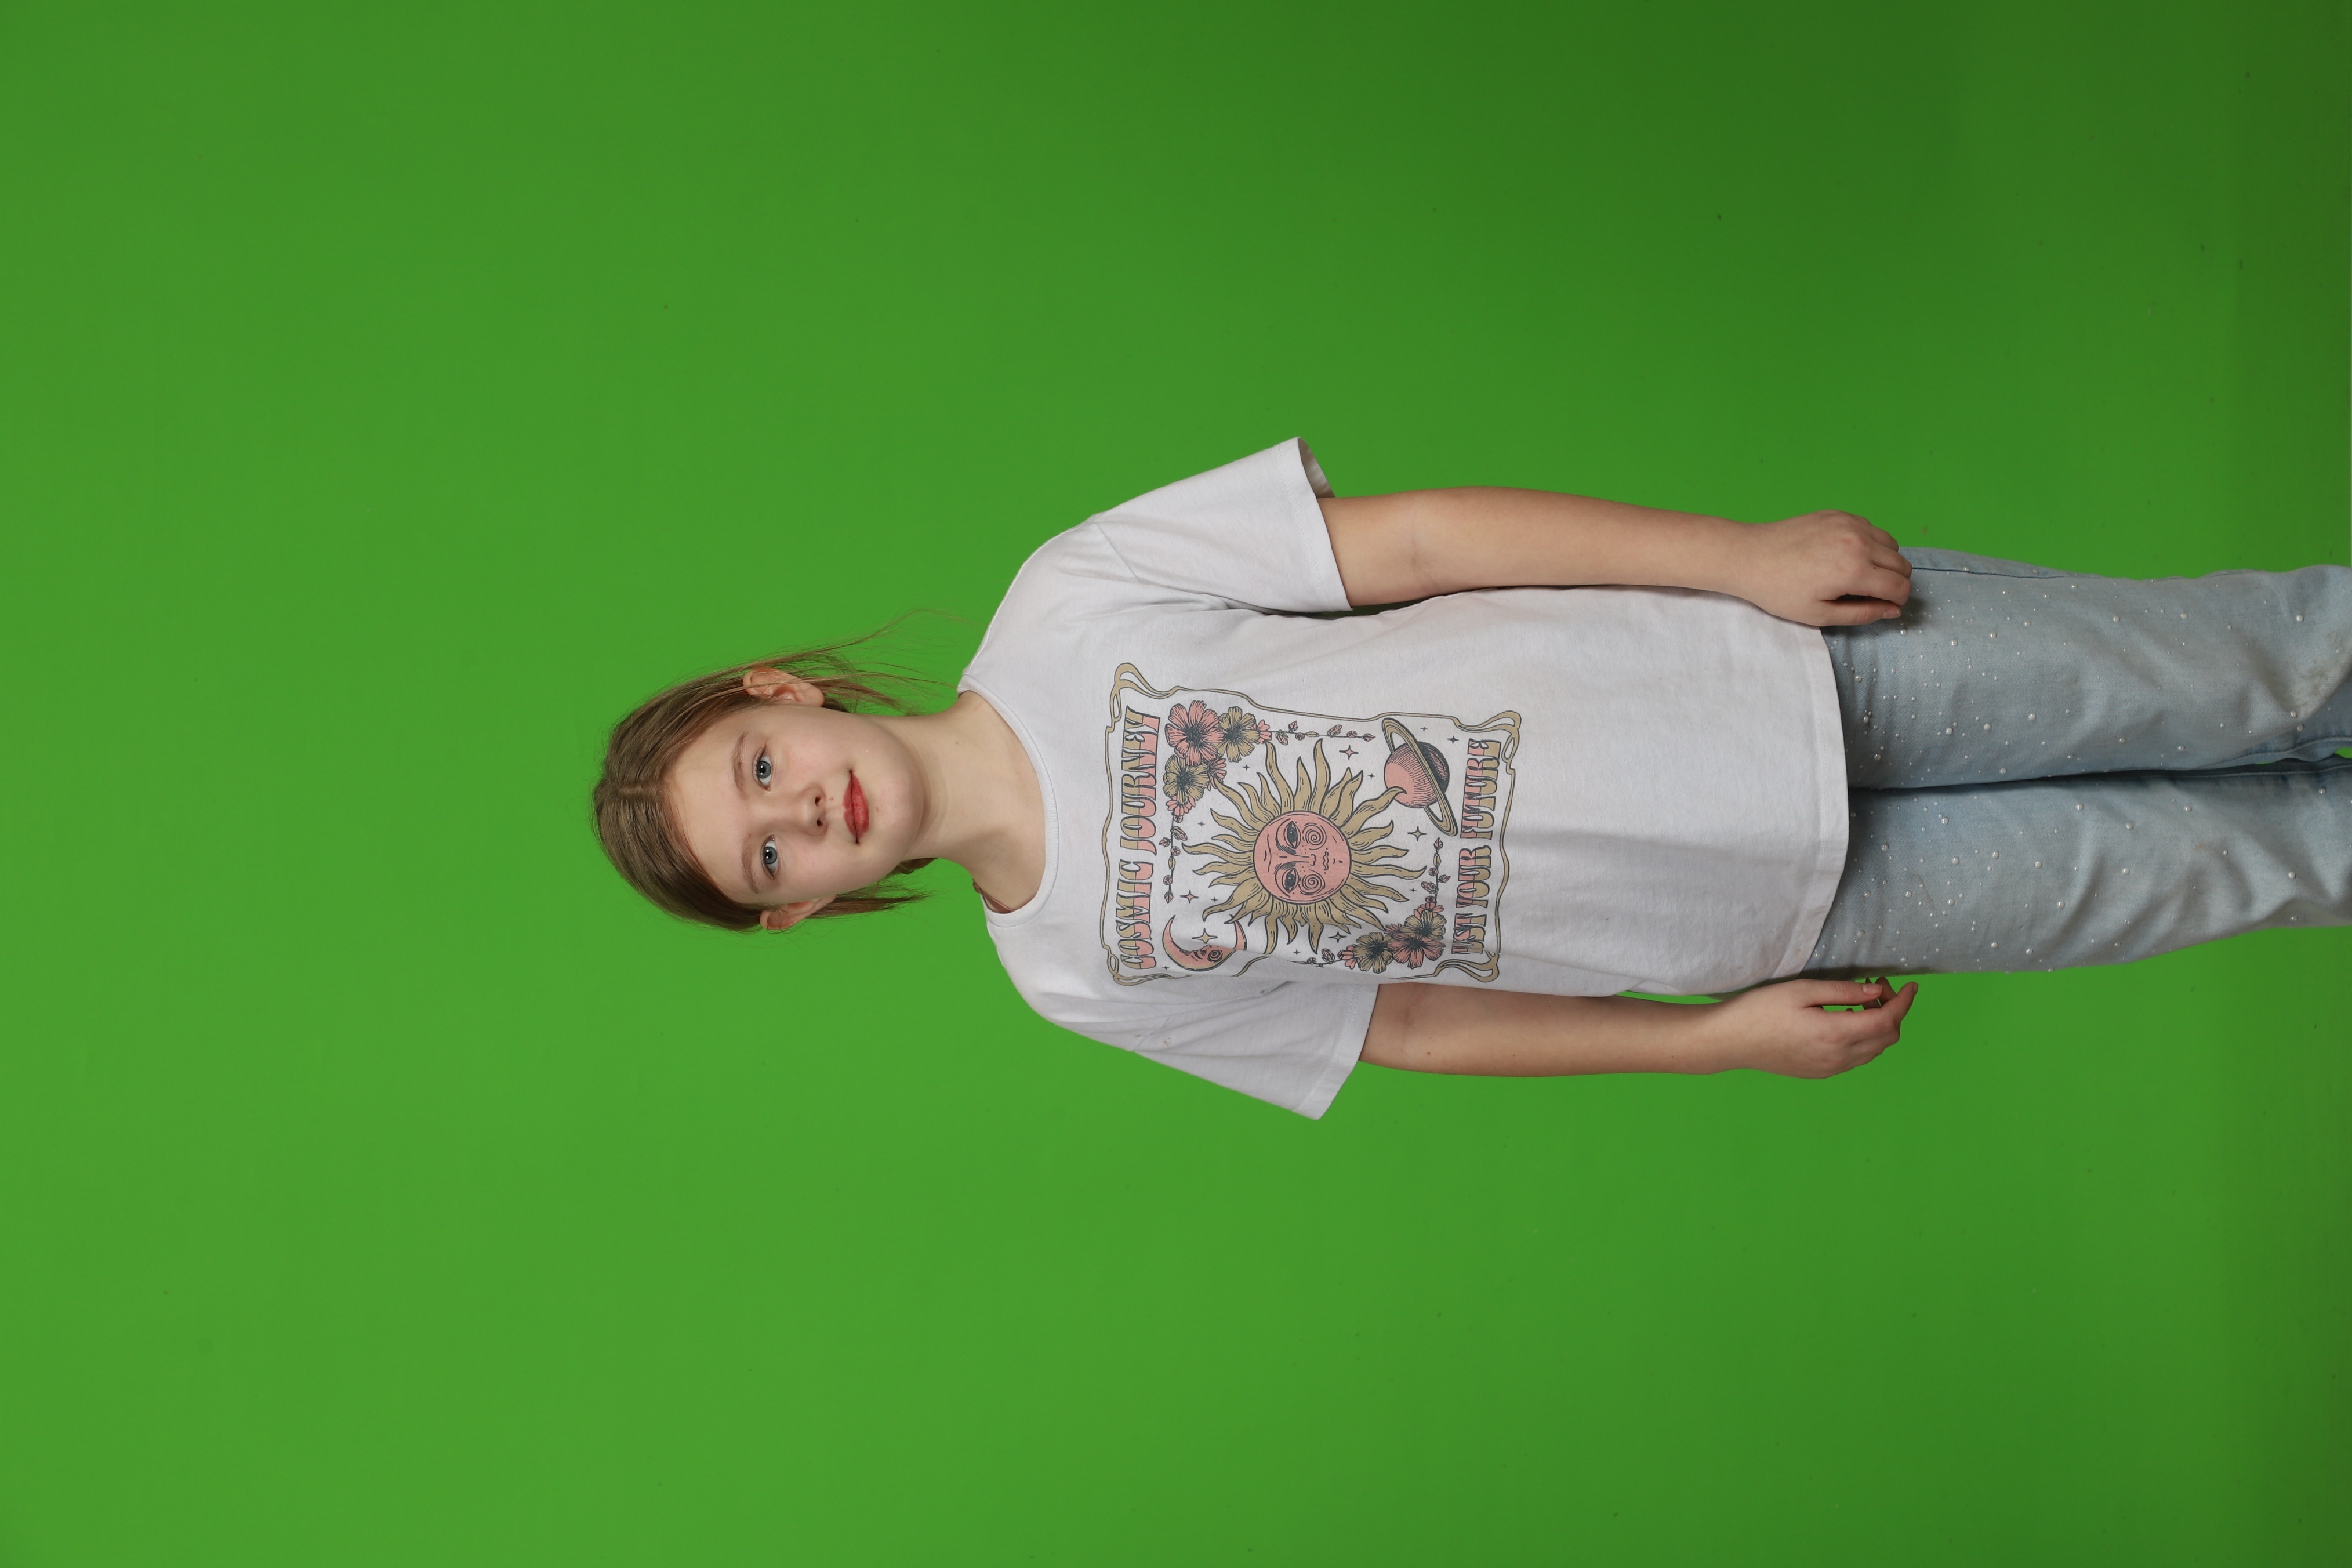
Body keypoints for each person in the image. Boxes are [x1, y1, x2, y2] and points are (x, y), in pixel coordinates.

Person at [593, 441, 2352, 1117]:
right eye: (766, 857)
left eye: (763, 766)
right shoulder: (1073, 977)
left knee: (2250, 669)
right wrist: (1708, 1041)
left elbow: (1421, 542)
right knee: (2243, 865)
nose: (798, 812)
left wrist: (1738, 559)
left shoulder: (1070, 597)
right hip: (1778, 907)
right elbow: (1410, 1029)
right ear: (801, 911)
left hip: (1779, 669)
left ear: (784, 692)